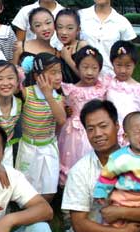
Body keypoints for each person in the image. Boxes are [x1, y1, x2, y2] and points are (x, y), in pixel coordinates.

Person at [61, 99, 140, 232]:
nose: (97, 134)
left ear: (117, 126)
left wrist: (121, 213)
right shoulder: (80, 170)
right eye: (91, 129)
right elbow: (79, 224)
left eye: (103, 126)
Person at [15, 53, 65, 202]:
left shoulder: (58, 98)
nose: (58, 77)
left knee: (48, 190)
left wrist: (48, 95)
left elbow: (61, 119)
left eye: (59, 72)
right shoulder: (27, 93)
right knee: (26, 188)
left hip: (48, 147)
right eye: (53, 72)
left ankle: (42, 212)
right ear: (38, 76)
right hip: (28, 147)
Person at [58, 46, 107, 186]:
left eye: (94, 68)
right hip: (75, 132)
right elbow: (66, 108)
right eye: (85, 67)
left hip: (97, 129)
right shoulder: (71, 90)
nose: (89, 72)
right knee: (75, 160)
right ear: (77, 68)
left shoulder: (102, 87)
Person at [106, 40, 140, 145]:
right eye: (118, 65)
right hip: (110, 133)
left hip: (132, 136)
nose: (123, 70)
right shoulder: (106, 84)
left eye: (128, 66)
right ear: (112, 63)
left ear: (134, 65)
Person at [78, 0, 136, 76]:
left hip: (111, 78)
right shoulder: (80, 16)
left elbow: (129, 55)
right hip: (82, 76)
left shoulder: (122, 22)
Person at [14, 7, 57, 87]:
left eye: (48, 23)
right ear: (32, 29)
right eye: (38, 25)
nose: (45, 28)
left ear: (54, 24)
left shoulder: (57, 53)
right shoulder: (21, 46)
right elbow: (11, 73)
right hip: (23, 95)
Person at [55, 8, 87, 84]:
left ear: (78, 29)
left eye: (70, 28)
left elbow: (87, 76)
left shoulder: (82, 46)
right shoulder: (56, 49)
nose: (64, 32)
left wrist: (68, 59)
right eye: (60, 27)